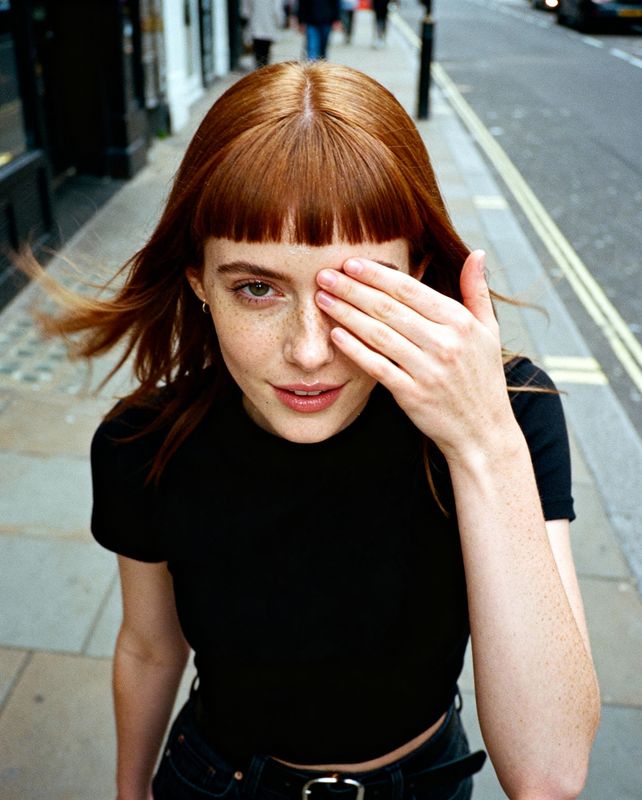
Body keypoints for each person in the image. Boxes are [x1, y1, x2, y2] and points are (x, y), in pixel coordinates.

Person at [35, 61, 599, 800]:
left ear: (418, 270)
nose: (308, 350)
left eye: (354, 289)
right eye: (257, 288)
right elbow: (148, 647)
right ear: (199, 280)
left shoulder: (509, 415)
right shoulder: (143, 442)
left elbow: (551, 774)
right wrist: (129, 790)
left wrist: (482, 441)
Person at [241, 0, 285, 68]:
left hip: (255, 25)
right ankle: (263, 69)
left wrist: (246, 19)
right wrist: (280, 22)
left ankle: (259, 68)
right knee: (266, 50)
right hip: (268, 25)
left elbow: (246, 10)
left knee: (257, 50)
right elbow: (277, 9)